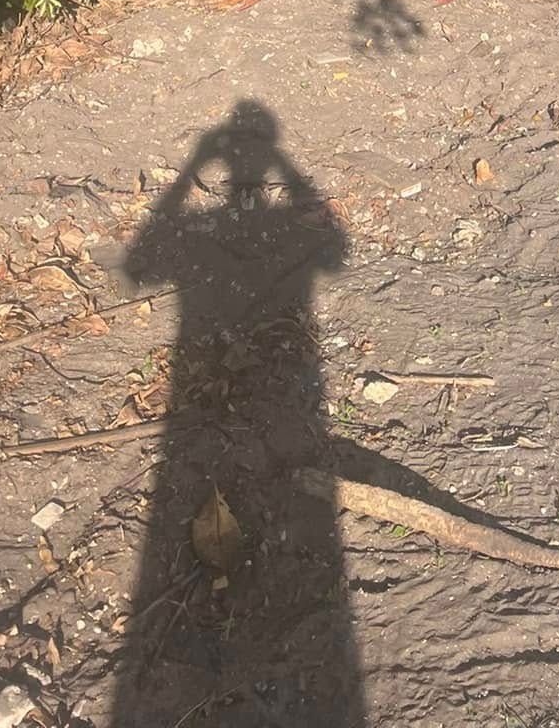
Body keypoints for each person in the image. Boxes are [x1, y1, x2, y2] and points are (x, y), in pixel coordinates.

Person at [106, 100, 366, 726]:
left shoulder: (203, 216)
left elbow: (137, 267)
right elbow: (336, 249)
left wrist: (188, 170)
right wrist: (292, 175)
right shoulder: (277, 213)